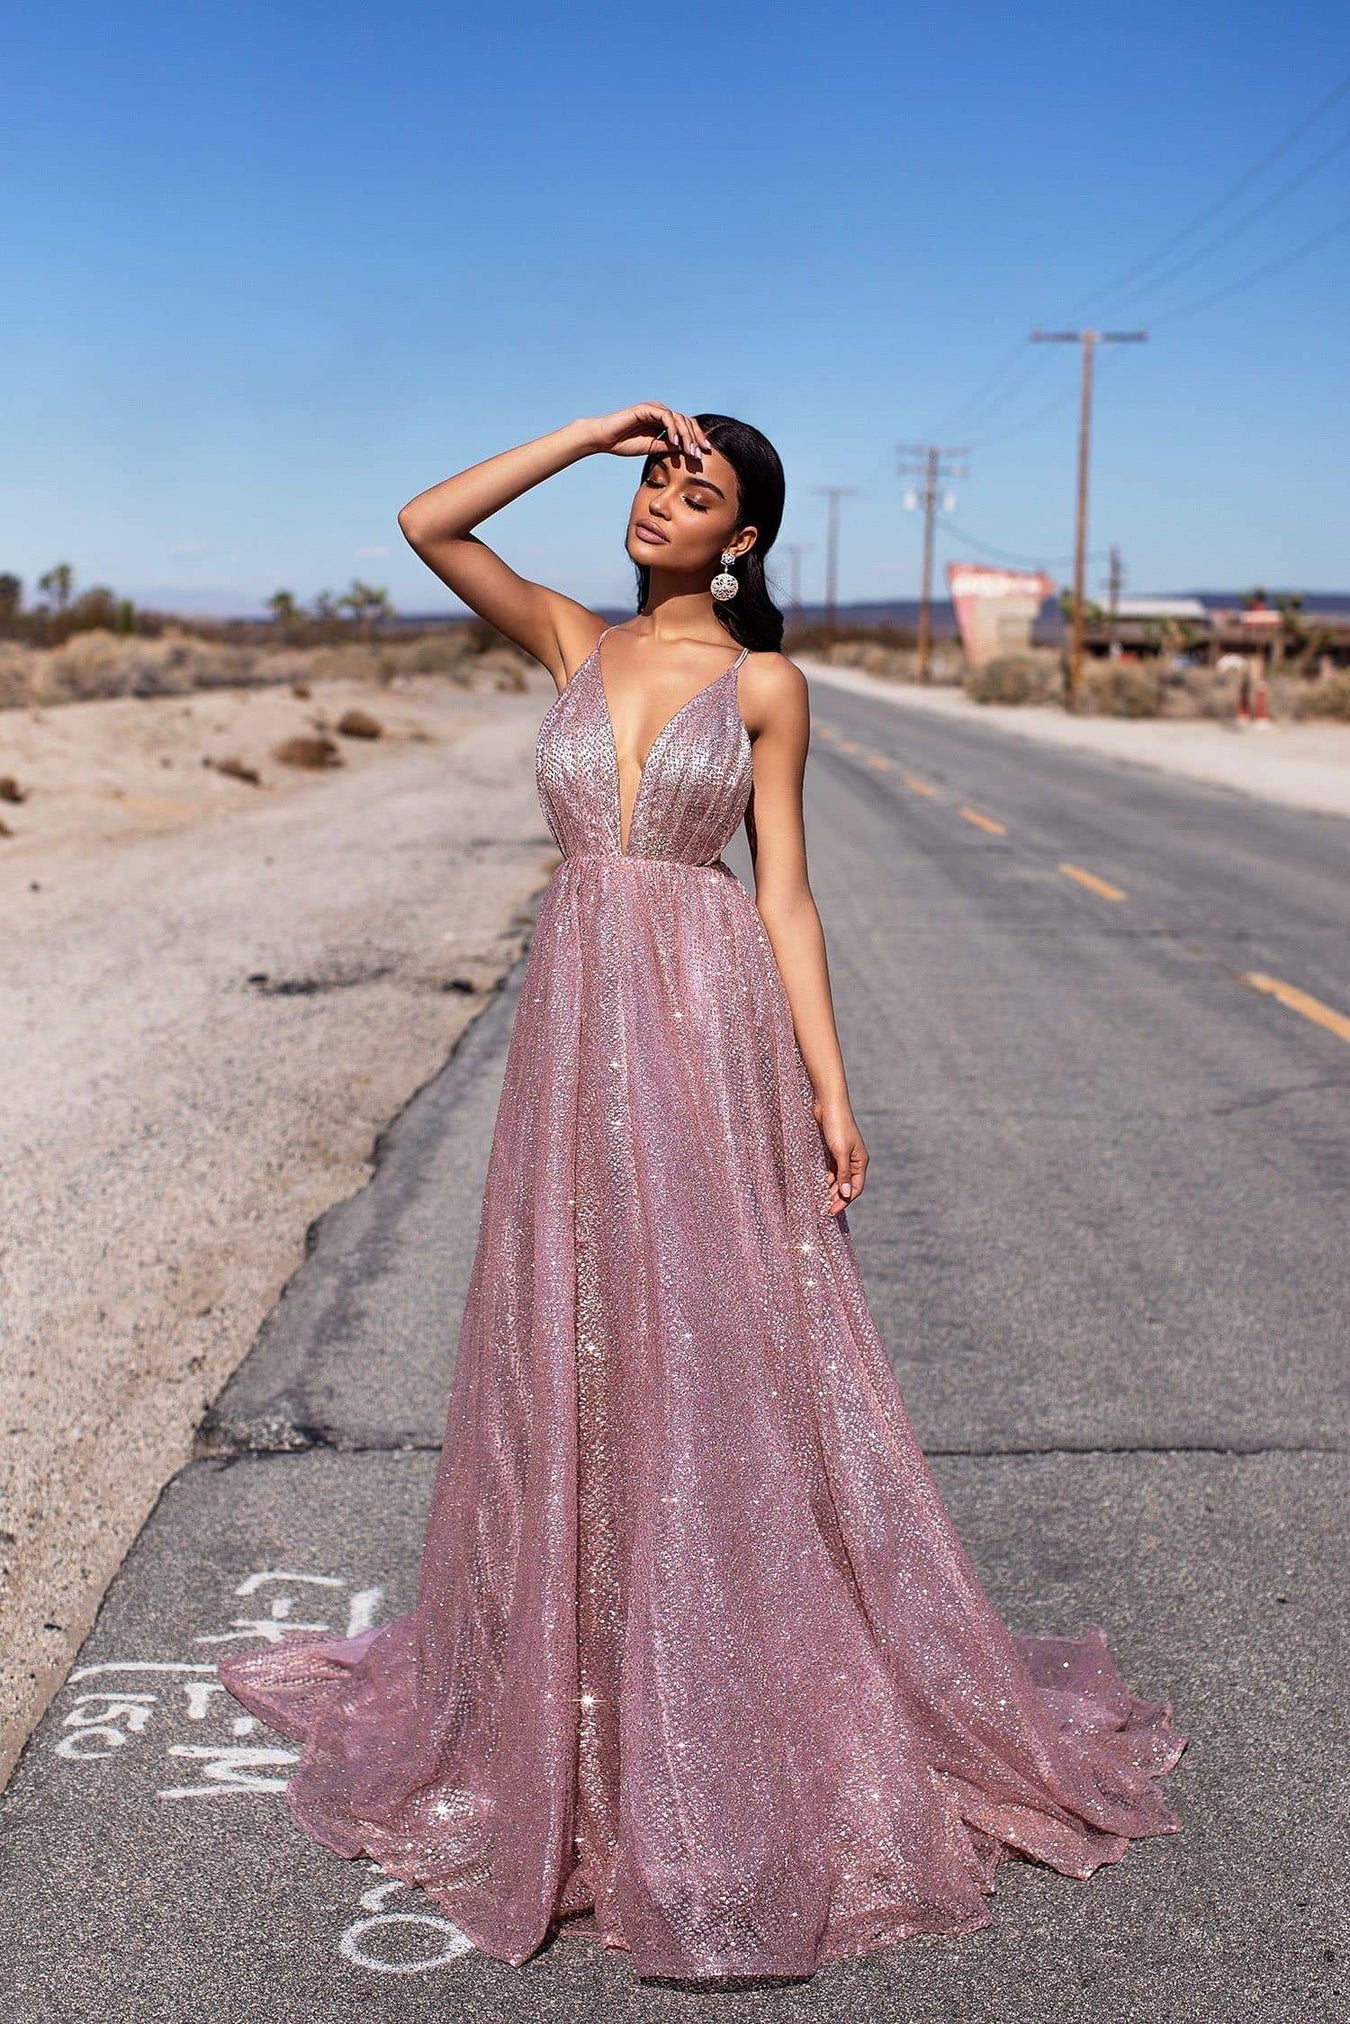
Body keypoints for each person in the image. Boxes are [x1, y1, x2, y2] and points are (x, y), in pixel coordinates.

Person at [220, 402, 1186, 1983]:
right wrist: (592, 428)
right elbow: (426, 523)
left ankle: (719, 1688)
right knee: (573, 1332)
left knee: (710, 1339)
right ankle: (580, 1675)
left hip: (699, 1012)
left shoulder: (764, 685)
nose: (665, 499)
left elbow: (785, 893)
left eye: (698, 489)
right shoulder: (566, 637)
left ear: (744, 540)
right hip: (572, 1022)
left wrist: (828, 1086)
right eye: (658, 477)